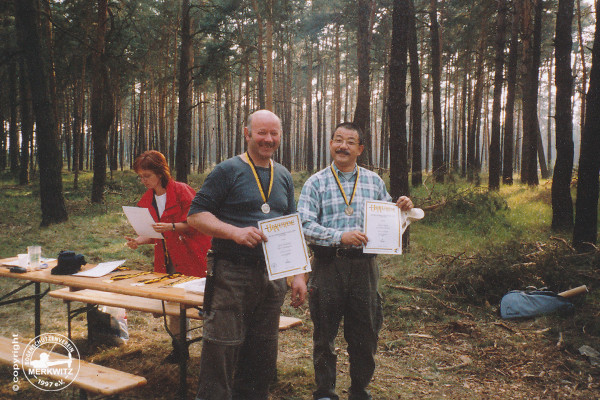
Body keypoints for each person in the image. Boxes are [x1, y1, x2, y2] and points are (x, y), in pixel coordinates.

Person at [188, 110, 307, 400]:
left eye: (274, 134)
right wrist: (234, 232)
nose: (268, 139)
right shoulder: (227, 171)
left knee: (262, 352)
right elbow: (196, 216)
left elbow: (292, 224)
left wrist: (299, 274)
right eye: (262, 133)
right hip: (231, 273)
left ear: (280, 136)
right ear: (247, 133)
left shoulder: (283, 175)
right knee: (221, 349)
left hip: (272, 277)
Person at [297, 122, 414, 400]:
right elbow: (303, 224)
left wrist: (404, 210)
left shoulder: (374, 182)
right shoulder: (316, 182)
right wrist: (340, 237)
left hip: (364, 268)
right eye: (338, 140)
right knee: (324, 334)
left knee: (365, 332)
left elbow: (390, 223)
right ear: (330, 144)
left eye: (350, 142)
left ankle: (360, 389)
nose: (343, 146)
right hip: (327, 266)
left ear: (360, 149)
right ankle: (325, 391)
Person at [125, 150, 211, 363]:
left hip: (191, 253)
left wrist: (172, 226)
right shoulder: (148, 199)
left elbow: (197, 222)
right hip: (166, 258)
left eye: (147, 176)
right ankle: (180, 350)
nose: (143, 180)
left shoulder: (182, 191)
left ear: (160, 173)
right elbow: (154, 233)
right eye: (141, 176)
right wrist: (139, 240)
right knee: (173, 304)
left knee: (203, 303)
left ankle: (213, 351)